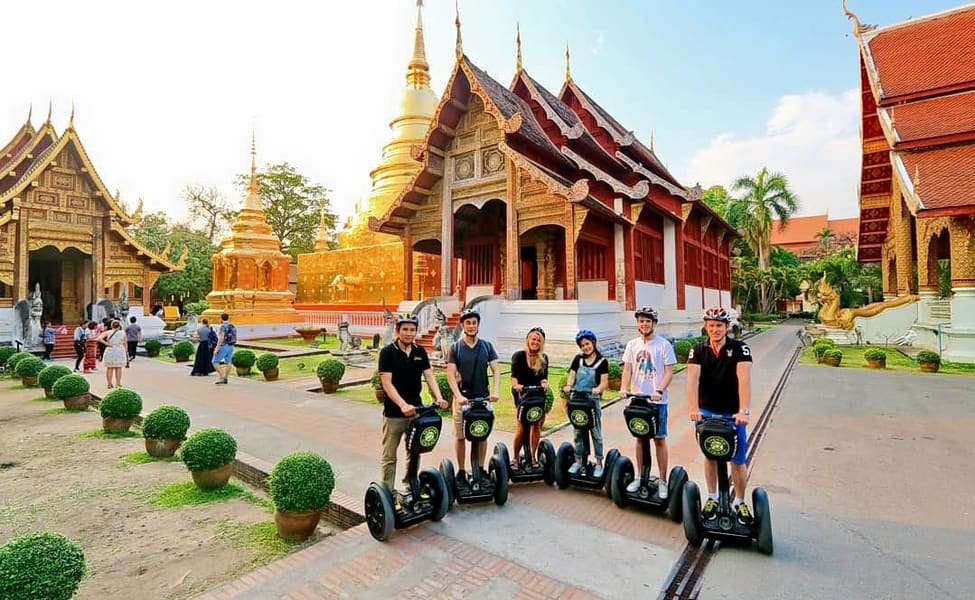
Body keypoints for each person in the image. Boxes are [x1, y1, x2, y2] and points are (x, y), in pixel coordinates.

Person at [686, 307, 754, 525]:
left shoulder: (740, 348)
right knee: (711, 455)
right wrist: (693, 408)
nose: (715, 329)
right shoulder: (698, 350)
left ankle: (740, 501)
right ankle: (713, 497)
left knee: (737, 460)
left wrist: (743, 411)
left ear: (726, 327)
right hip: (706, 411)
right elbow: (692, 380)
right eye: (711, 325)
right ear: (706, 327)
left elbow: (744, 380)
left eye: (719, 326)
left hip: (733, 413)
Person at [377, 315, 448, 492]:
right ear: (397, 331)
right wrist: (402, 405)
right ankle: (387, 492)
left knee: (415, 451)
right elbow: (387, 383)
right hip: (394, 414)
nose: (409, 333)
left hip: (416, 411)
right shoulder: (387, 353)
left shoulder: (420, 351)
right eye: (405, 330)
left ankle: (410, 485)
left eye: (412, 330)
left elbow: (429, 376)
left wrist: (439, 397)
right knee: (389, 455)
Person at [619, 306, 677, 496]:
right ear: (638, 323)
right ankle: (640, 476)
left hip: (657, 401)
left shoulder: (663, 345)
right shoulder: (632, 345)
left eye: (648, 321)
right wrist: (624, 388)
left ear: (654, 323)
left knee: (659, 439)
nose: (644, 324)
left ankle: (662, 480)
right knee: (640, 438)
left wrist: (659, 390)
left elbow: (669, 372)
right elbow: (627, 369)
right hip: (638, 400)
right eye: (641, 321)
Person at [445, 309, 500, 480]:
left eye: (474, 323)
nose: (471, 326)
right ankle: (461, 471)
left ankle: (480, 469)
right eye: (467, 323)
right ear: (462, 325)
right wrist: (458, 396)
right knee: (460, 436)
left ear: (478, 325)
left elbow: (496, 370)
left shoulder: (487, 346)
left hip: (483, 399)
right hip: (463, 400)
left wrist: (495, 391)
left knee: (481, 434)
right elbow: (450, 375)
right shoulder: (455, 348)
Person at [562, 330, 609, 477]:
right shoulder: (578, 359)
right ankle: (578, 461)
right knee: (578, 431)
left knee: (595, 432)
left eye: (587, 344)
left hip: (591, 400)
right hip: (577, 399)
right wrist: (569, 385)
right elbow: (572, 375)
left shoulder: (602, 361)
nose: (585, 347)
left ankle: (599, 463)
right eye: (582, 345)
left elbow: (604, 382)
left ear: (593, 343)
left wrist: (598, 389)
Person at [510, 327, 549, 470]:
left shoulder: (543, 358)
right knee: (521, 427)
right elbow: (514, 377)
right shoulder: (518, 356)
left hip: (537, 395)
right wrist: (516, 386)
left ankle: (532, 456)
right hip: (523, 395)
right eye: (533, 339)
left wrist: (544, 383)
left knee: (535, 425)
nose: (535, 342)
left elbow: (544, 378)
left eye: (538, 340)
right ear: (528, 340)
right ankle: (515, 457)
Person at [99, 320, 127, 388]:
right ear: (119, 326)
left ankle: (109, 384)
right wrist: (126, 351)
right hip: (119, 350)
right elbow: (125, 343)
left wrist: (106, 343)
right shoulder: (123, 333)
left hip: (110, 349)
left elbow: (99, 338)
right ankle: (118, 383)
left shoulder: (107, 332)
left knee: (109, 368)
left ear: (111, 326)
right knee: (119, 368)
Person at [211, 313, 237, 384]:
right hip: (231, 346)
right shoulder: (232, 326)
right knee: (228, 362)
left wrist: (217, 348)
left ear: (221, 318)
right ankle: (225, 377)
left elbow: (221, 338)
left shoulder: (222, 326)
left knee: (215, 361)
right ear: (228, 318)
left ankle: (222, 377)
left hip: (224, 346)